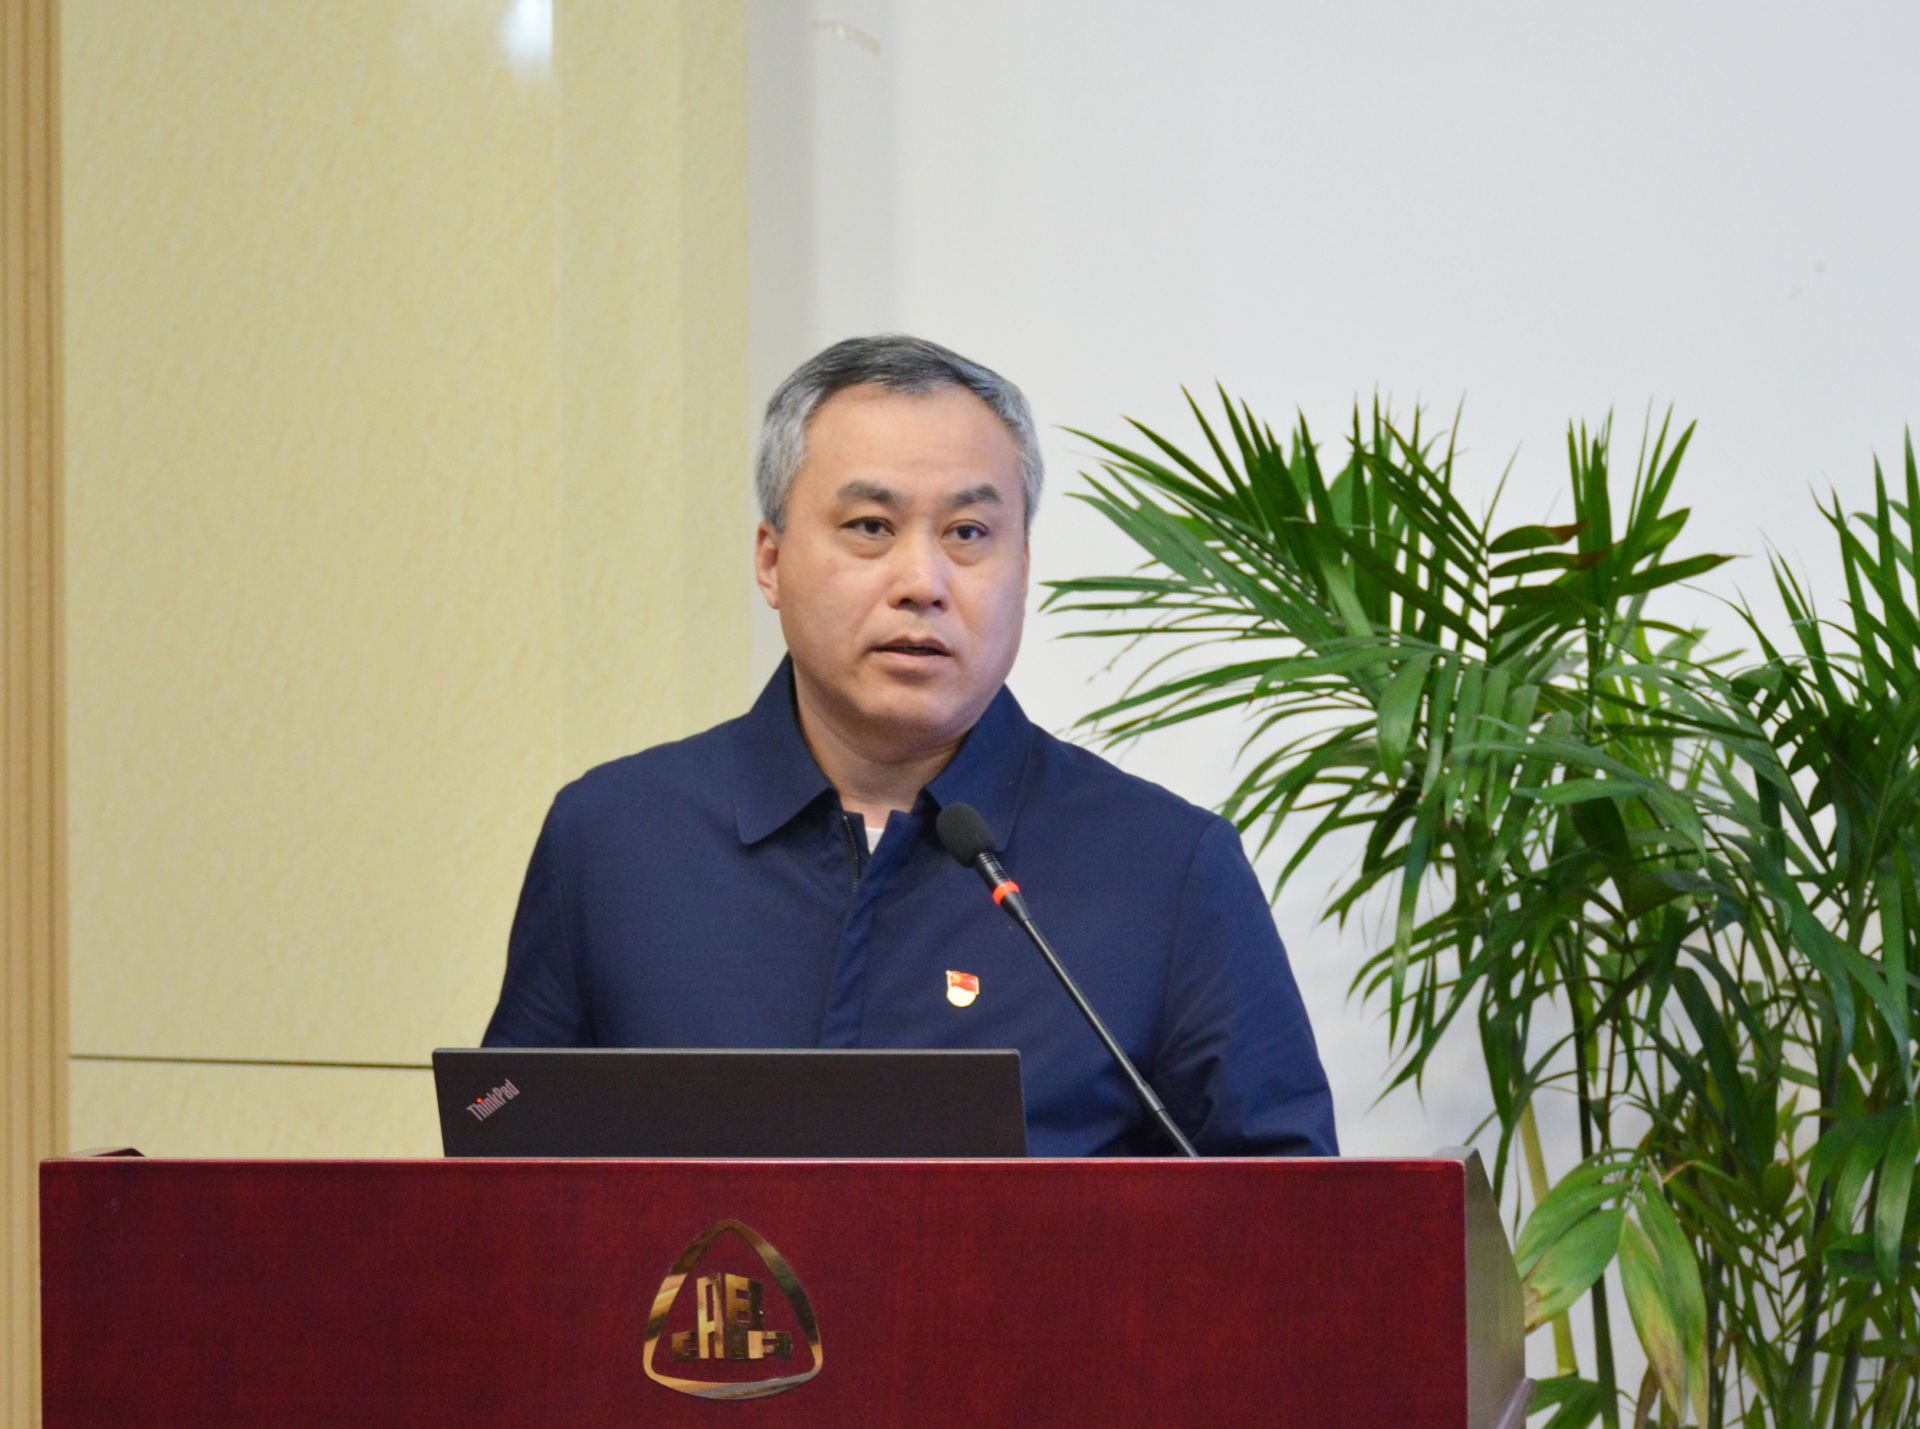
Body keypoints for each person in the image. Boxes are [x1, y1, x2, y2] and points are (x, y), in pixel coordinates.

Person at [483, 334, 1336, 1157]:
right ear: (771, 560)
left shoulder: (1168, 869)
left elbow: (1291, 1224)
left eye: (967, 533)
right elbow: (498, 1160)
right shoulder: (613, 840)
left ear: (1023, 567)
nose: (922, 583)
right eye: (870, 526)